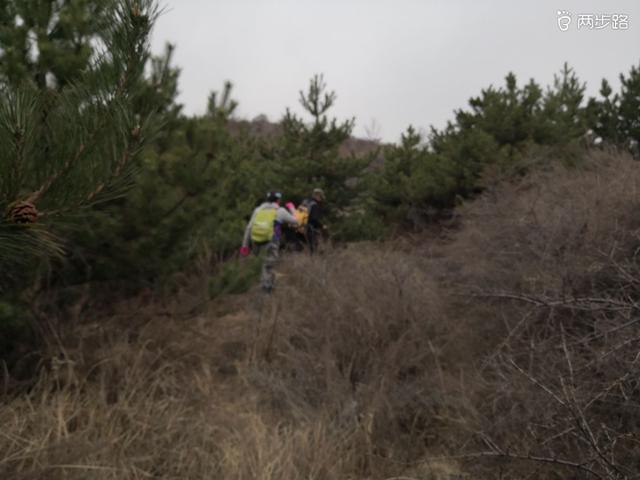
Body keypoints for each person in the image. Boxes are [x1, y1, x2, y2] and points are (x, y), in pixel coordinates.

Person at [240, 191, 298, 293]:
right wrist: (292, 208)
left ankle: (261, 285)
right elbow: (296, 221)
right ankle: (266, 290)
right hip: (272, 241)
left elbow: (249, 228)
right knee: (268, 265)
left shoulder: (258, 210)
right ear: (278, 200)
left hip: (256, 240)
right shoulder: (280, 211)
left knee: (260, 264)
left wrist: (244, 245)